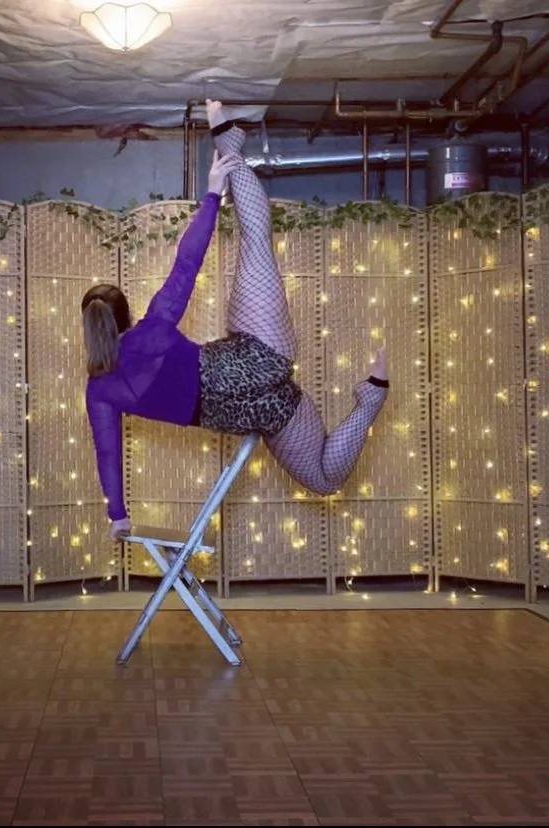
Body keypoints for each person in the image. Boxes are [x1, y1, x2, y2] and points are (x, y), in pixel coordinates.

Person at [82, 100, 389, 542]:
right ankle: (228, 143)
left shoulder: (100, 392)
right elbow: (187, 262)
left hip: (261, 411)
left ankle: (372, 398)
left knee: (325, 480)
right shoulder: (150, 330)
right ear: (124, 315)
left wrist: (118, 516)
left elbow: (107, 453)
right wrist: (212, 194)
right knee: (256, 237)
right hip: (261, 352)